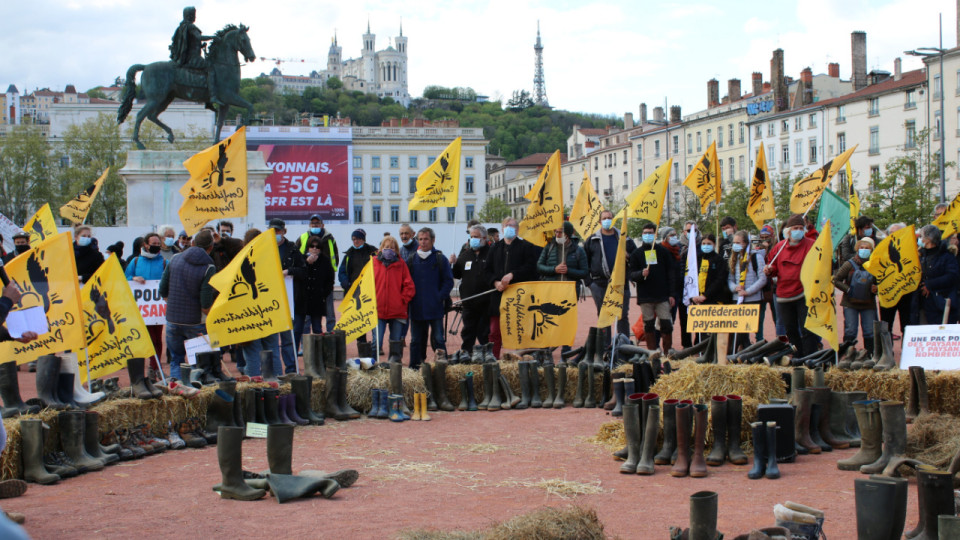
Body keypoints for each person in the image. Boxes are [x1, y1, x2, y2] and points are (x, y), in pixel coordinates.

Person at [158, 229, 217, 380]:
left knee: (176, 360)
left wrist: (172, 304)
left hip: (172, 320)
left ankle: (176, 387)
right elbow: (205, 303)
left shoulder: (175, 258)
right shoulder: (209, 267)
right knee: (198, 364)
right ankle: (195, 388)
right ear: (210, 247)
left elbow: (162, 289)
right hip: (196, 322)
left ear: (193, 243)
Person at [763, 214, 819, 357]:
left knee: (807, 328)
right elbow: (772, 266)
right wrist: (769, 270)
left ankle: (810, 357)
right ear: (788, 230)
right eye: (795, 228)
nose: (798, 231)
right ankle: (798, 356)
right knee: (790, 329)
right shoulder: (779, 247)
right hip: (784, 295)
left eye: (801, 228)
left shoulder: (812, 245)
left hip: (804, 294)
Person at [486, 216, 539, 357]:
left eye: (512, 226)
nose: (509, 228)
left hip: (519, 296)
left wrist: (513, 275)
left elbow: (531, 268)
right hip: (498, 295)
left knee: (520, 330)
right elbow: (487, 270)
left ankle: (520, 359)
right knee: (495, 331)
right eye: (506, 225)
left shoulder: (526, 247)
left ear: (518, 229)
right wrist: (495, 282)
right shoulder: (494, 248)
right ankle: (494, 359)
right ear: (502, 229)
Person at [406, 227, 454, 370]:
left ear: (433, 240)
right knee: (416, 340)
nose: (423, 242)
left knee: (438, 339)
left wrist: (439, 297)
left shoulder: (440, 259)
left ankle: (443, 367)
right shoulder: (411, 259)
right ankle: (415, 367)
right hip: (416, 308)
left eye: (426, 239)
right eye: (420, 239)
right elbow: (406, 282)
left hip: (435, 308)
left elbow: (448, 281)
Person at [584, 211, 636, 341]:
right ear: (599, 222)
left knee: (622, 315)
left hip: (620, 283)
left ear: (614, 220)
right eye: (604, 218)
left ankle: (623, 345)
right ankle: (605, 346)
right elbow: (584, 263)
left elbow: (636, 259)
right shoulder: (592, 240)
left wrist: (629, 257)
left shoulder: (625, 238)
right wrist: (589, 283)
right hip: (600, 284)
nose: (607, 220)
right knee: (604, 316)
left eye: (610, 218)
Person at [126, 232, 168, 380]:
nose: (156, 246)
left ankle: (155, 368)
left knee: (157, 338)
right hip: (141, 308)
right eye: (153, 244)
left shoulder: (164, 262)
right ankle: (147, 370)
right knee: (147, 339)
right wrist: (134, 278)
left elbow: (170, 278)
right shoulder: (136, 261)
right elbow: (125, 277)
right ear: (145, 244)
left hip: (157, 308)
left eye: (158, 244)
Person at [630, 222, 676, 352]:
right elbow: (632, 274)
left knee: (666, 324)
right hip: (645, 296)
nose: (647, 235)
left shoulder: (663, 252)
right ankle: (651, 352)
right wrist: (641, 274)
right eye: (645, 233)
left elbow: (671, 273)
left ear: (655, 235)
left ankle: (667, 352)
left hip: (662, 296)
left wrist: (672, 294)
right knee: (648, 325)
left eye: (650, 233)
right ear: (642, 234)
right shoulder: (636, 253)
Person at [268, 219, 304, 374]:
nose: (275, 233)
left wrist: (289, 271)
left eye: (278, 231)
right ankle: (273, 370)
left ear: (284, 231)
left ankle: (291, 369)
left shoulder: (292, 249)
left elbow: (303, 270)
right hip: (268, 298)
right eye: (272, 231)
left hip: (288, 299)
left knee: (288, 337)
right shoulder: (264, 247)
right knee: (270, 339)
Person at [169, 6, 222, 105]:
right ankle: (213, 96)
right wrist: (213, 37)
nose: (195, 17)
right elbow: (199, 37)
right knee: (211, 68)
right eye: (194, 15)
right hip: (193, 58)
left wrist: (200, 46)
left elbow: (190, 43)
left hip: (187, 57)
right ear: (189, 16)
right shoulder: (190, 27)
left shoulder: (182, 27)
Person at [292, 233, 334, 358]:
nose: (315, 249)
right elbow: (297, 274)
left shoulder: (325, 261)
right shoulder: (301, 259)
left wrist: (323, 294)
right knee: (298, 328)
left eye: (317, 247)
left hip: (317, 299)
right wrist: (307, 263)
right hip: (302, 299)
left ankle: (319, 355)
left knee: (317, 328)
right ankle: (294, 354)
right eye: (312, 246)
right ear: (308, 247)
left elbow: (330, 280)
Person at [833, 237, 879, 350]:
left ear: (871, 250)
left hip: (868, 303)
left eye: (867, 248)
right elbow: (836, 280)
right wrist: (848, 290)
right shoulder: (849, 264)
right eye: (861, 247)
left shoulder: (875, 265)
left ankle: (869, 354)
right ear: (857, 249)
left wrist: (877, 288)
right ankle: (848, 353)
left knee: (869, 331)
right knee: (850, 330)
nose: (864, 250)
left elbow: (882, 281)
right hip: (850, 303)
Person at [452, 225, 492, 352]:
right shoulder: (465, 255)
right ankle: (466, 354)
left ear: (484, 238)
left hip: (487, 302)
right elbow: (456, 274)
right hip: (468, 302)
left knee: (484, 332)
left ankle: (487, 354)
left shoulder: (492, 253)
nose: (473, 239)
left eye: (476, 237)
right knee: (468, 331)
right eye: (471, 237)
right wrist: (453, 263)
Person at [373, 236, 415, 356]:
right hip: (377, 309)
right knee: (376, 343)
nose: (389, 250)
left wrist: (402, 300)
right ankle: (373, 365)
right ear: (381, 248)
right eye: (386, 247)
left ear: (396, 250)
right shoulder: (373, 263)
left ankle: (395, 365)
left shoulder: (401, 264)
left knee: (396, 343)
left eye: (392, 248)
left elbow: (409, 285)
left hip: (397, 310)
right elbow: (365, 284)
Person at [727, 230, 767, 350]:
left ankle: (755, 349)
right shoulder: (734, 258)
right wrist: (735, 288)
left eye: (738, 242)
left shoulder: (756, 257)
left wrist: (748, 291)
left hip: (752, 299)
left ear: (745, 243)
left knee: (752, 327)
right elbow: (730, 279)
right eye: (734, 243)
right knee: (740, 330)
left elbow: (762, 279)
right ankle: (744, 350)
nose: (735, 245)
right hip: (738, 298)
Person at [297, 214, 339, 332]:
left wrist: (328, 282)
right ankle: (305, 341)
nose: (315, 225)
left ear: (322, 224)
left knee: (329, 313)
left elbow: (335, 258)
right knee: (307, 317)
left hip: (324, 283)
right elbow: (297, 257)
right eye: (313, 223)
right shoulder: (302, 237)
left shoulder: (330, 238)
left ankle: (331, 336)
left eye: (317, 223)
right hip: (307, 285)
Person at [339, 229, 378, 344]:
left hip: (370, 291)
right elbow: (342, 272)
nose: (356, 241)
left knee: (372, 318)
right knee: (358, 319)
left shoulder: (373, 252)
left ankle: (376, 344)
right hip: (354, 292)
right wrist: (345, 283)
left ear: (363, 239)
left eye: (358, 239)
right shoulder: (348, 254)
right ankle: (362, 344)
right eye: (354, 239)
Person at [879, 223, 915, 338]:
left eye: (897, 233)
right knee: (886, 325)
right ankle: (887, 348)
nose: (893, 235)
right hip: (888, 292)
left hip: (906, 292)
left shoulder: (912, 249)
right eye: (891, 233)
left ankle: (907, 347)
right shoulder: (881, 249)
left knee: (907, 325)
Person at [919, 224, 960, 324]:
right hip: (923, 303)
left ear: (928, 239)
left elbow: (952, 276)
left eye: (921, 236)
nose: (919, 239)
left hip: (941, 303)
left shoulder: (947, 256)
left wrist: (930, 284)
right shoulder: (920, 255)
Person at [661, 227, 687, 347]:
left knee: (672, 320)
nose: (674, 237)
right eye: (671, 235)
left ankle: (669, 346)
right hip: (664, 292)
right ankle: (659, 346)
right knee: (662, 321)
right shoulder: (660, 250)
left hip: (676, 290)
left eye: (675, 235)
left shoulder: (678, 250)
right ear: (665, 237)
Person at [689, 234, 728, 306]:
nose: (706, 246)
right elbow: (691, 278)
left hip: (714, 299)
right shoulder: (697, 259)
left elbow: (720, 280)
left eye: (709, 244)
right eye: (703, 243)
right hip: (697, 299)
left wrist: (705, 295)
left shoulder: (719, 260)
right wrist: (693, 296)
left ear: (714, 245)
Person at [754, 224, 778, 342]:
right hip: (762, 288)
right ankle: (759, 340)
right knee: (759, 316)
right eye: (762, 237)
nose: (764, 239)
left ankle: (780, 339)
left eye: (767, 237)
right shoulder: (757, 250)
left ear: (772, 237)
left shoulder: (777, 248)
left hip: (775, 286)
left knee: (777, 316)